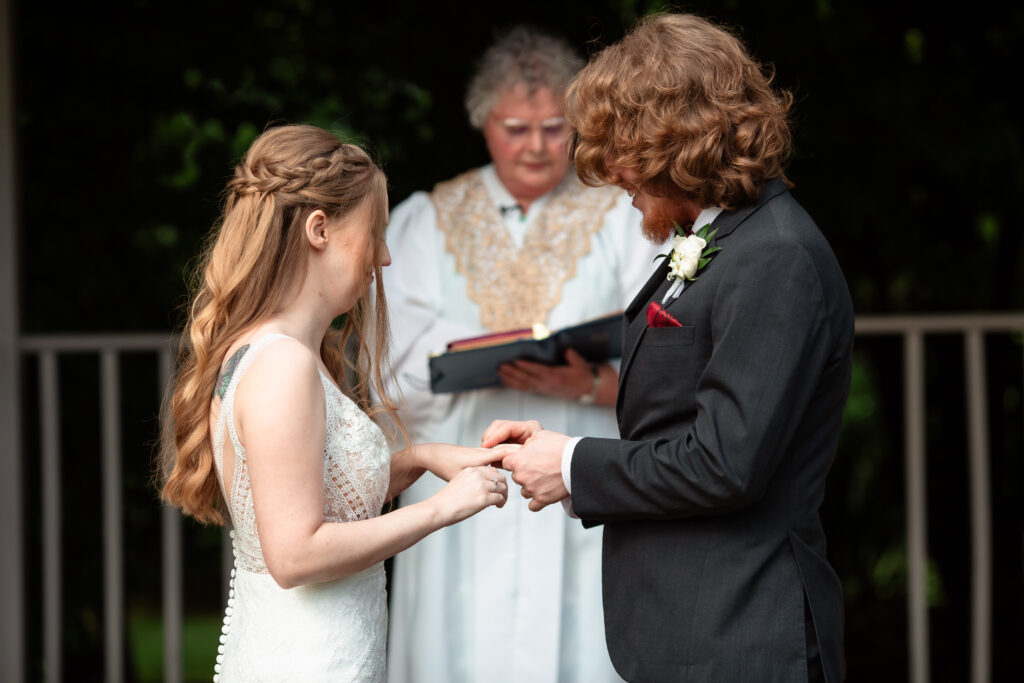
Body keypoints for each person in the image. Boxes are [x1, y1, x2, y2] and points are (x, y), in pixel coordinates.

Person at [487, 13, 854, 683]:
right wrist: (560, 452)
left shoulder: (776, 256)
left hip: (742, 635)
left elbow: (724, 462)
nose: (615, 175)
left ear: (675, 138)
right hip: (692, 634)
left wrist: (573, 466)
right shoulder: (725, 240)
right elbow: (677, 424)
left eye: (622, 148)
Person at [160, 124, 513, 682]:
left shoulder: (273, 350)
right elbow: (296, 554)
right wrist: (441, 509)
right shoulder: (283, 365)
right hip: (309, 662)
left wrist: (420, 459)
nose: (386, 256)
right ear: (318, 229)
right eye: (376, 232)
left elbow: (322, 494)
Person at [384, 26, 662, 683]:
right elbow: (392, 360)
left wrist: (588, 381)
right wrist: (473, 352)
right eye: (516, 128)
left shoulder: (623, 214)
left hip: (579, 450)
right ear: (485, 124)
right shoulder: (429, 218)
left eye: (553, 127)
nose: (536, 146)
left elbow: (665, 346)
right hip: (462, 454)